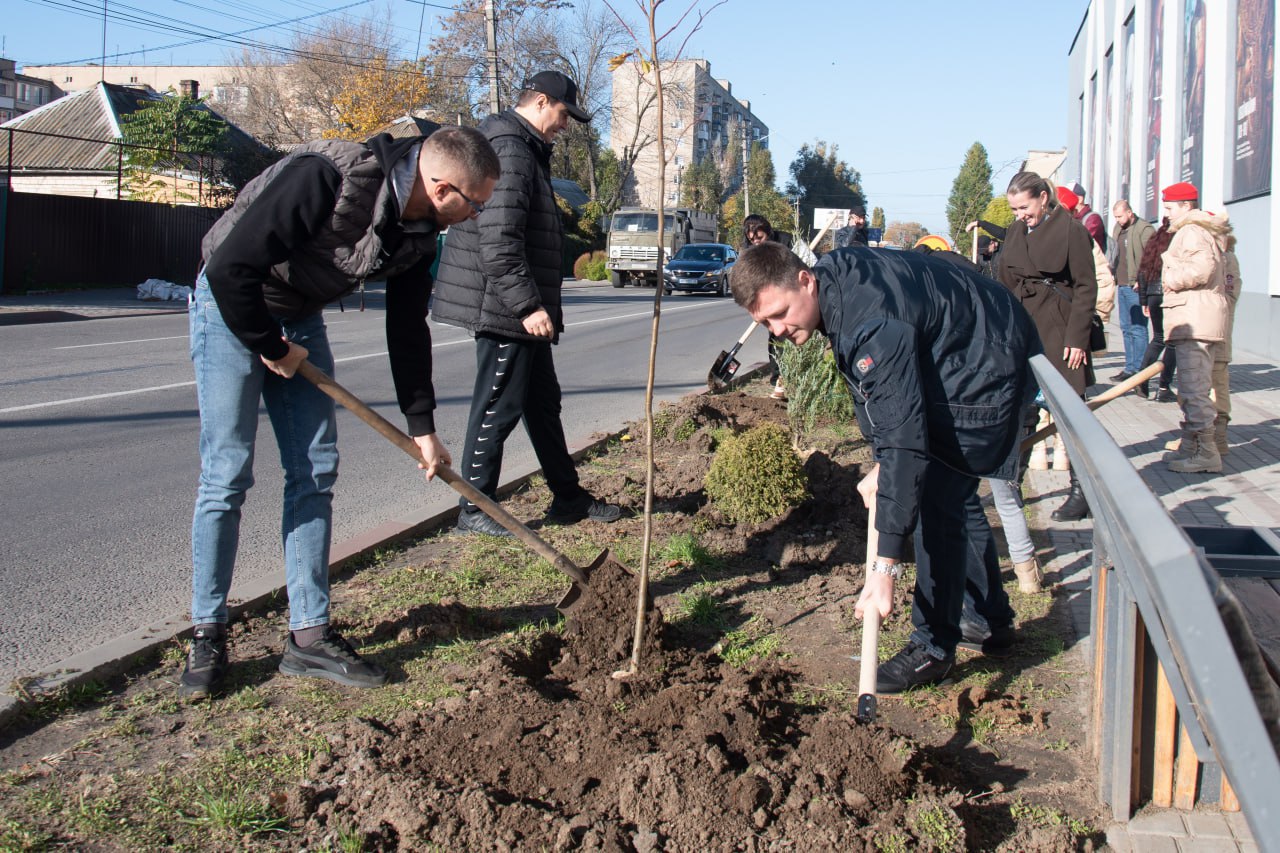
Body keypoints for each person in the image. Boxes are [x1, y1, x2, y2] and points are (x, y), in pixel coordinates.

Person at [183, 125, 501, 700]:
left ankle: (308, 637)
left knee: (314, 471)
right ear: (439, 185)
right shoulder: (326, 177)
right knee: (227, 473)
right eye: (474, 202)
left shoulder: (421, 232)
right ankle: (208, 631)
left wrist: (423, 429)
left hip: (298, 315)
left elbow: (407, 331)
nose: (476, 215)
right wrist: (273, 347)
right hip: (233, 308)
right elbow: (231, 270)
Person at [730, 241, 1040, 692]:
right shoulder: (836, 280)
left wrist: (884, 570)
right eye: (764, 324)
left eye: (779, 313)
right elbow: (881, 401)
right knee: (950, 492)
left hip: (986, 368)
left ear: (803, 280)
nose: (776, 331)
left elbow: (905, 443)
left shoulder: (869, 322)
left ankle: (934, 645)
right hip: (977, 344)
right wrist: (881, 456)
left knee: (936, 499)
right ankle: (988, 618)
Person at [432, 71, 621, 536]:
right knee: (498, 405)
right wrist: (526, 307)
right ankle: (475, 509)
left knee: (542, 403)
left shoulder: (522, 147)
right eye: (563, 114)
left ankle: (568, 497)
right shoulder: (511, 150)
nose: (566, 125)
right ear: (540, 102)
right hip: (503, 306)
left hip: (519, 305)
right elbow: (497, 241)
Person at [998, 172, 1098, 522]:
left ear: (1043, 197)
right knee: (1019, 412)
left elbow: (1086, 287)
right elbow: (1005, 282)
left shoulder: (1072, 231)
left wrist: (1077, 338)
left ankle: (1081, 492)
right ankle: (1012, 488)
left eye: (1024, 207)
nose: (1019, 215)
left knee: (1071, 417)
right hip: (1024, 329)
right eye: (1014, 209)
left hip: (1060, 330)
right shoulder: (1014, 231)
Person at [1158, 182, 1233, 474]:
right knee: (1191, 389)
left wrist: (1170, 277)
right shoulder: (1194, 231)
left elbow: (1203, 270)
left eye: (1170, 208)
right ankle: (1191, 446)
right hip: (1197, 319)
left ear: (1186, 206)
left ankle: (1206, 454)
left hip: (1197, 321)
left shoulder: (1191, 232)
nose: (1167, 215)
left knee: (1194, 390)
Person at [742, 213, 816, 400]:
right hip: (770, 300)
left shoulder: (787, 241)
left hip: (793, 298)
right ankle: (778, 381)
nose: (756, 242)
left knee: (791, 340)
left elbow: (812, 262)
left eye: (760, 237)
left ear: (768, 231)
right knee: (775, 342)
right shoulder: (750, 251)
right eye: (752, 240)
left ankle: (791, 383)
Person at [1109, 200, 1156, 380]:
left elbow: (1151, 258)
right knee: (1126, 328)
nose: (1118, 220)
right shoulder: (1118, 229)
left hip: (1136, 285)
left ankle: (1139, 370)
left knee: (1138, 328)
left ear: (1129, 212)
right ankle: (1129, 368)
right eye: (1116, 217)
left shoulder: (1144, 229)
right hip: (1121, 284)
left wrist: (1142, 279)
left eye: (1120, 216)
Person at [1135, 218, 1177, 401]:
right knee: (1172, 342)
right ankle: (1164, 387)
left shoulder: (1155, 239)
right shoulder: (1178, 239)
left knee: (1158, 338)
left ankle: (1141, 381)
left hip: (1153, 294)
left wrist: (1144, 299)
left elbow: (1143, 270)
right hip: (1169, 294)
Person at [1065, 182, 1107, 252]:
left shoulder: (1093, 219)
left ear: (1080, 199)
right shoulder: (1072, 217)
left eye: (1069, 197)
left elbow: (1083, 243)